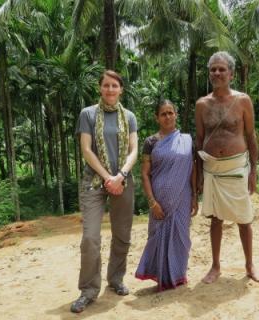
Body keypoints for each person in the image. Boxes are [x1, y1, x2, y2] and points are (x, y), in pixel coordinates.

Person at [195, 51, 259, 284]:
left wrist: (253, 171)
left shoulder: (243, 100)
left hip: (237, 167)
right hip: (212, 168)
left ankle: (250, 265)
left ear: (231, 74)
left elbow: (251, 136)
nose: (216, 73)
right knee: (215, 218)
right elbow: (199, 140)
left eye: (221, 69)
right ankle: (215, 266)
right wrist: (198, 174)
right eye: (213, 69)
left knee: (244, 218)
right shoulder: (202, 105)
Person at [71, 70, 138, 313]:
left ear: (121, 89)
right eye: (106, 85)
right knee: (90, 237)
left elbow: (134, 150)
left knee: (122, 233)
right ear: (100, 89)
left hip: (123, 180)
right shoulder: (88, 114)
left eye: (115, 86)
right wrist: (107, 177)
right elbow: (86, 150)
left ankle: (116, 279)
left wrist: (120, 176)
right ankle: (88, 290)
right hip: (94, 181)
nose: (110, 90)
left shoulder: (129, 116)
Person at [135, 100, 198, 291]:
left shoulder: (187, 140)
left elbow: (193, 170)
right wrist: (152, 202)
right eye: (163, 114)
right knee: (158, 237)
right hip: (159, 202)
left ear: (176, 115)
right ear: (157, 118)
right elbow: (145, 173)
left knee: (181, 236)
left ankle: (178, 276)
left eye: (171, 113)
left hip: (183, 198)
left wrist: (195, 196)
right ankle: (162, 277)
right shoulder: (151, 142)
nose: (167, 117)